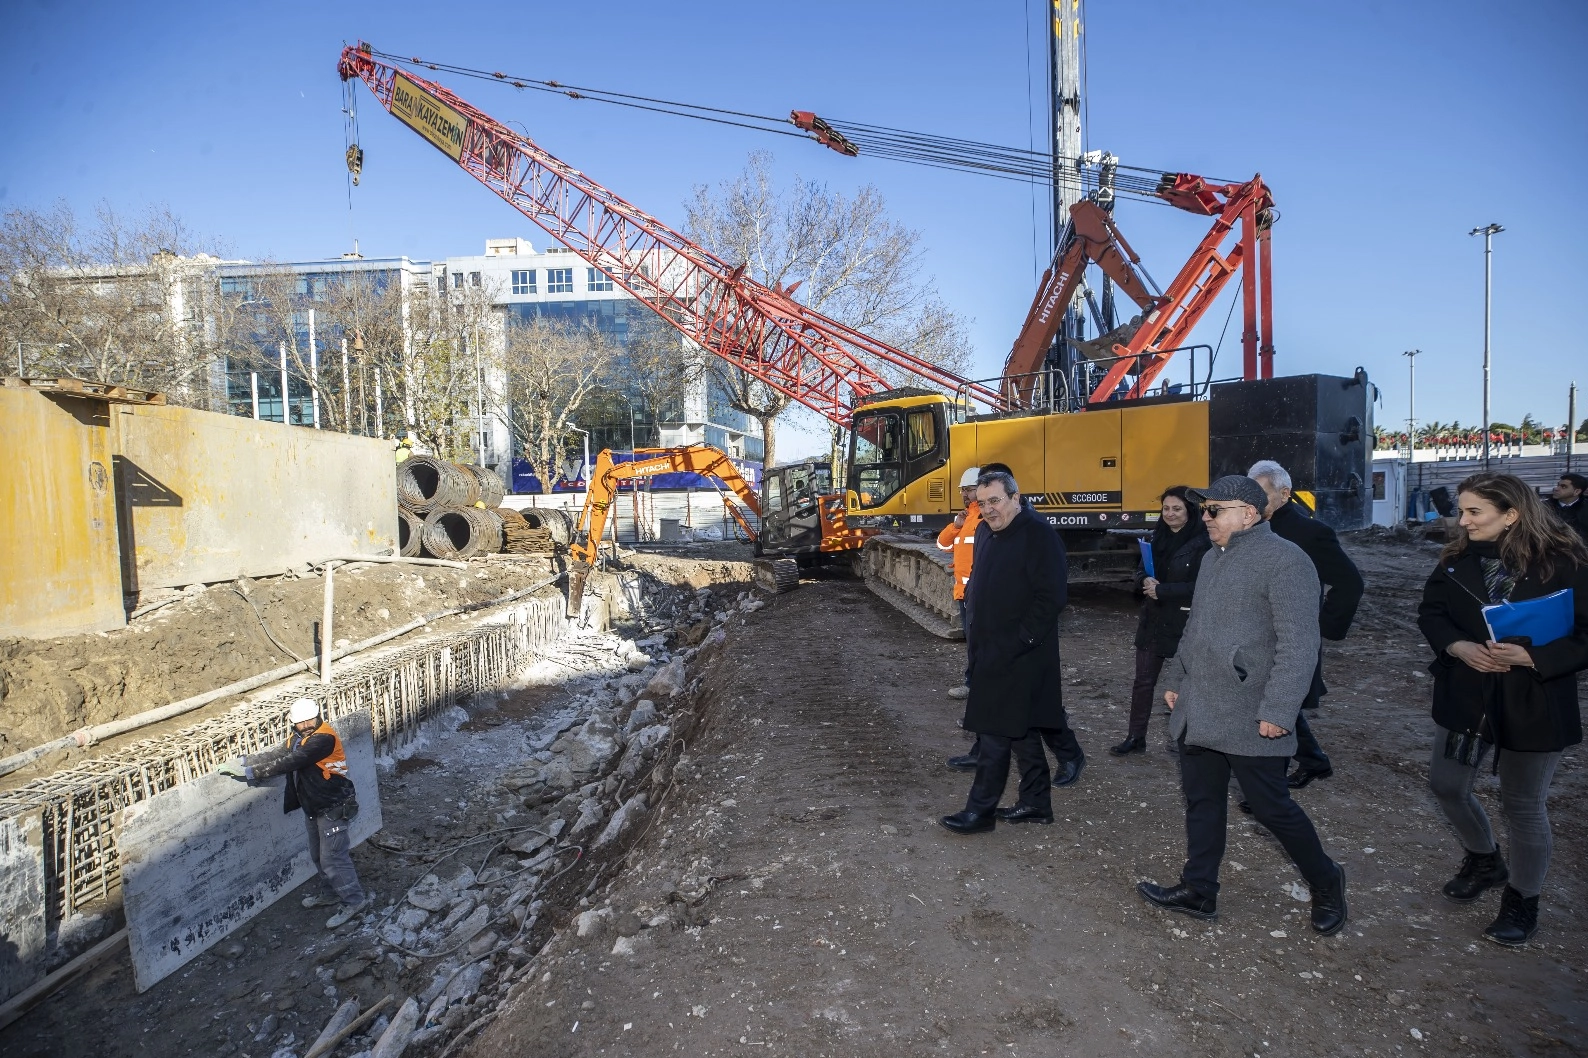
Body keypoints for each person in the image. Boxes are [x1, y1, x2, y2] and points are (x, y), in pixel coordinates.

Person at [1137, 475, 1348, 935]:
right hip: (1200, 703)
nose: (1205, 518)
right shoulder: (1214, 559)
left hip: (1250, 710)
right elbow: (1196, 628)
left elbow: (1299, 644)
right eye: (1205, 510)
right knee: (1202, 801)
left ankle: (1327, 880)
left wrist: (1279, 709)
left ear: (1250, 514)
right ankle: (1199, 890)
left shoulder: (1286, 561)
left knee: (1272, 808)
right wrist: (1176, 677)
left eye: (1216, 510)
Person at [1416, 472, 1588, 946]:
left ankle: (1522, 899)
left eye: (1474, 512)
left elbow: (1585, 635)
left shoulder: (1565, 562)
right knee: (1447, 785)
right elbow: (1431, 613)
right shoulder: (1455, 558)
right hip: (1468, 694)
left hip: (1535, 699)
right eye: (1462, 509)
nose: (1463, 520)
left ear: (1511, 515)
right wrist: (1457, 646)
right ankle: (1484, 858)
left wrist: (1534, 657)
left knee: (1523, 805)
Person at [940, 470, 1073, 832]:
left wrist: (1020, 641)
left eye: (994, 501)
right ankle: (1035, 803)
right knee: (1021, 730)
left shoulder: (1038, 535)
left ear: (1015, 497)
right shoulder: (984, 530)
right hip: (989, 649)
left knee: (995, 731)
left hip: (1020, 655)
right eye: (981, 503)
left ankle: (980, 812)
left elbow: (1053, 597)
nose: (987, 510)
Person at [1247, 460, 1365, 790]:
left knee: (1275, 704)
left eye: (1261, 494)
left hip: (1287, 642)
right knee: (1270, 703)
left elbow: (1350, 584)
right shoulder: (1249, 530)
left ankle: (1269, 792)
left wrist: (1321, 626)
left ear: (1285, 493)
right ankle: (1313, 762)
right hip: (1254, 637)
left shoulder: (1312, 534)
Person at [218, 698, 371, 928]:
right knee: (318, 856)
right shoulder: (297, 738)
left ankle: (354, 901)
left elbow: (293, 760)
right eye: (301, 722)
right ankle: (330, 894)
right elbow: (277, 754)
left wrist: (252, 772)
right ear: (294, 723)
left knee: (333, 859)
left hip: (333, 805)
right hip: (314, 807)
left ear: (318, 716)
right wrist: (244, 760)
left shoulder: (323, 739)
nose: (306, 724)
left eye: (310, 720)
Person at [1113, 485, 1210, 755]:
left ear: (1190, 511)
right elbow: (1140, 571)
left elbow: (1203, 587)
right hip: (1154, 620)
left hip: (1185, 622)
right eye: (1165, 508)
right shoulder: (1156, 538)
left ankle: (1191, 740)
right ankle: (1135, 737)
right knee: (1143, 681)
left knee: (1189, 684)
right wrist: (1144, 579)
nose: (1169, 514)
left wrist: (1163, 590)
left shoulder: (1205, 543)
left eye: (1176, 508)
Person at [937, 466, 982, 702]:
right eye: (963, 490)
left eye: (969, 489)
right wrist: (955, 525)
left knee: (981, 642)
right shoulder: (965, 518)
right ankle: (973, 684)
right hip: (965, 592)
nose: (965, 494)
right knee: (973, 642)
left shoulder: (985, 516)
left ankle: (978, 686)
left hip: (981, 593)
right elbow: (943, 545)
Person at [1547, 472, 1588, 544]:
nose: (1556, 489)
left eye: (1563, 487)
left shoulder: (1585, 509)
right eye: (1558, 485)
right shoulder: (1544, 507)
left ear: (1577, 491)